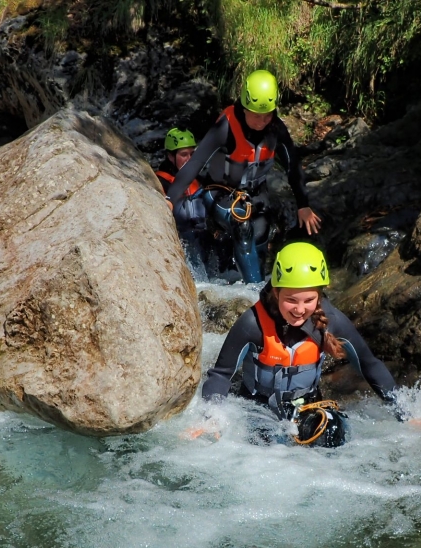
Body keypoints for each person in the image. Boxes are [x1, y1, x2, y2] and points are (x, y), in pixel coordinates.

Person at [201, 242, 398, 447]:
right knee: (263, 449)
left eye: (309, 300)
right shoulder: (253, 324)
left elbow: (369, 364)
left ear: (319, 296)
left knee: (332, 432)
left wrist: (405, 414)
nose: (300, 310)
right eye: (291, 300)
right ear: (276, 292)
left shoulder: (331, 320)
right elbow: (221, 374)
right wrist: (212, 418)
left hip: (306, 407)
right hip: (257, 410)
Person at [166, 69, 322, 283]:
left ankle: (239, 278)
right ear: (245, 107)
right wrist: (169, 199)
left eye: (267, 115)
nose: (262, 121)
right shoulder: (225, 127)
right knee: (243, 225)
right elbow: (196, 162)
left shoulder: (276, 129)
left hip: (256, 195)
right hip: (218, 193)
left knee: (260, 237)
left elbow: (293, 167)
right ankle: (255, 293)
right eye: (256, 115)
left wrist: (303, 205)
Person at [156, 128, 214, 275]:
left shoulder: (199, 179)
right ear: (170, 156)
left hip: (203, 237)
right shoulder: (160, 181)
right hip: (182, 238)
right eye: (183, 155)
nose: (189, 159)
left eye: (192, 154)